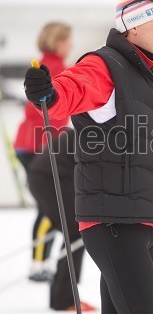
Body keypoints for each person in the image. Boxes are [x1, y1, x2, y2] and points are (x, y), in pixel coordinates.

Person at [23, 0, 153, 313]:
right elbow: (69, 92)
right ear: (135, 25)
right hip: (114, 221)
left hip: (142, 223)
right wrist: (47, 95)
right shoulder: (106, 66)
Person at [14, 22, 73, 282]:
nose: (71, 45)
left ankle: (40, 263)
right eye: (68, 40)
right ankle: (38, 265)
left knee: (49, 208)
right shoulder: (56, 69)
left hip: (31, 144)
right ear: (58, 41)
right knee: (50, 208)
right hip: (40, 146)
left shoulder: (42, 64)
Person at [28, 128, 95, 311]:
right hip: (49, 177)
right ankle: (64, 300)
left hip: (42, 175)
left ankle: (62, 297)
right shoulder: (99, 133)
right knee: (78, 232)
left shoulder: (89, 126)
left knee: (74, 232)